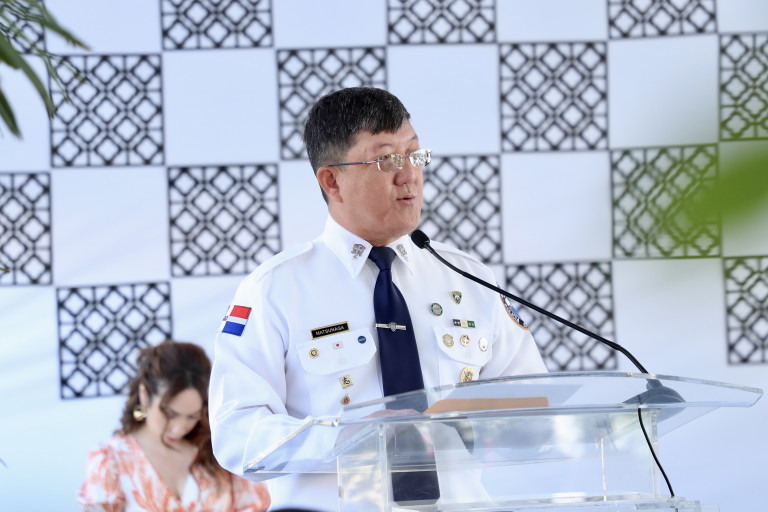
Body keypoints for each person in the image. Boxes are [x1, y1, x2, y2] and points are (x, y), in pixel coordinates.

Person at [209, 87, 547, 511]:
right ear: (332, 181)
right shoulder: (275, 290)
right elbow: (236, 433)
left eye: (415, 155)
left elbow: (536, 407)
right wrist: (340, 438)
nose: (409, 175)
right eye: (387, 160)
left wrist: (468, 425)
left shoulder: (469, 278)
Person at [78, 340, 271, 512]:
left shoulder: (219, 451)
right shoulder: (111, 461)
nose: (179, 428)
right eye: (170, 415)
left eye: (192, 416)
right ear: (145, 395)